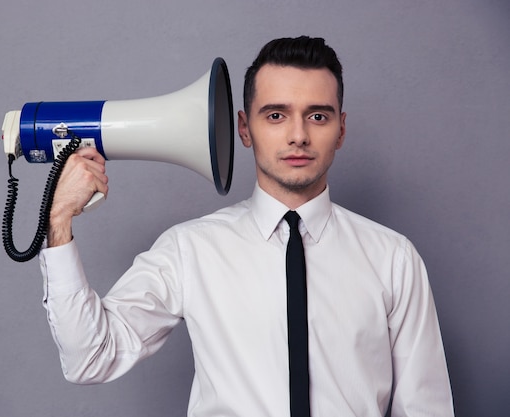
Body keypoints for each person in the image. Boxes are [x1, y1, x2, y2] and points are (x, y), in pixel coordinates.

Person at [39, 36, 455, 416]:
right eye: (276, 115)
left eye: (318, 117)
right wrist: (58, 221)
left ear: (341, 130)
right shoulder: (190, 250)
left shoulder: (393, 258)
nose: (298, 136)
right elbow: (89, 359)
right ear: (244, 128)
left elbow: (425, 408)